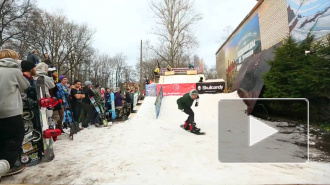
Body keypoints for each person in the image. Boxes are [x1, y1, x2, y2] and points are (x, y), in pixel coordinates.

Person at [0, 49, 30, 177]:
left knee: (2, 139)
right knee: (15, 138)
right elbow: (26, 85)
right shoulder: (13, 70)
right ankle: (6, 166)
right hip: (11, 111)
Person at [35, 62, 56, 128]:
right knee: (47, 115)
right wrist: (50, 77)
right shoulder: (45, 77)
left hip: (35, 98)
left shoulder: (33, 75)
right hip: (45, 98)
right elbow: (52, 86)